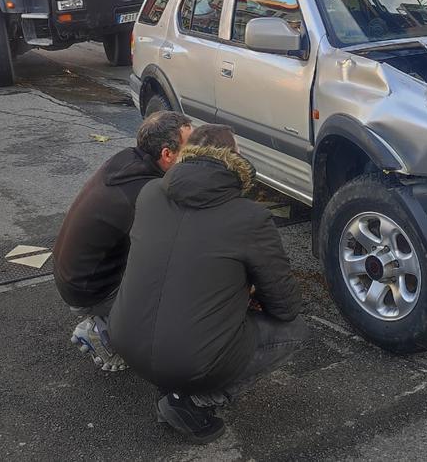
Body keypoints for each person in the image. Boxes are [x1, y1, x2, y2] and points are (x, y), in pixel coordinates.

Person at [110, 125, 308, 443]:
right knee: (295, 330)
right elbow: (285, 306)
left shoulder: (149, 194)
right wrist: (248, 293)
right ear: (235, 160)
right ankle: (191, 402)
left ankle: (173, 376)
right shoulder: (250, 217)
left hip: (125, 339)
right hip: (187, 359)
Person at [53, 111, 192, 372]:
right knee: (181, 295)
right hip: (92, 290)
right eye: (191, 147)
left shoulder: (127, 162)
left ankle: (109, 319)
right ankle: (104, 331)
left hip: (74, 275)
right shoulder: (143, 194)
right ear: (167, 154)